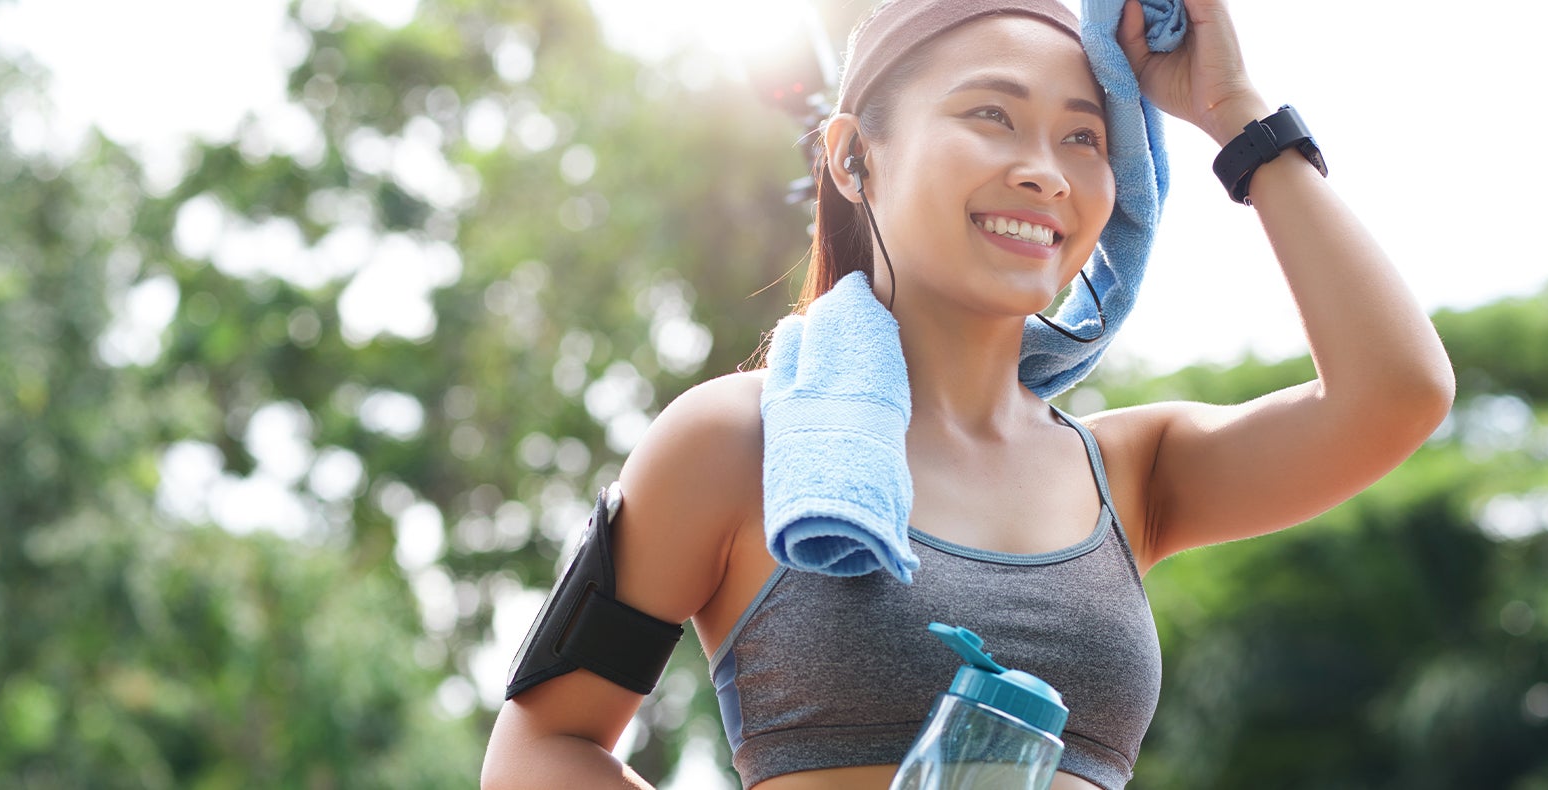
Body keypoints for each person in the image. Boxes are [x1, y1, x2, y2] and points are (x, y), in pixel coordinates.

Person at [481, 0, 1454, 787]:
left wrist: (1237, 111)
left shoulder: (1131, 472)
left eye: (1084, 136)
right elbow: (541, 748)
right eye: (992, 114)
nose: (1045, 171)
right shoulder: (739, 440)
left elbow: (1397, 392)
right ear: (855, 156)